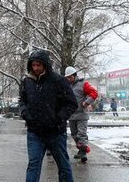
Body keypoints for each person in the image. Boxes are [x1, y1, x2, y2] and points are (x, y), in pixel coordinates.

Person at [19, 50, 77, 182]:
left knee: (63, 165)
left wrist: (58, 118)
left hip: (55, 132)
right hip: (34, 132)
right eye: (33, 65)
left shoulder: (58, 80)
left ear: (45, 64)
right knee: (33, 165)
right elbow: (22, 100)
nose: (36, 68)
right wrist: (25, 113)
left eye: (39, 65)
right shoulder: (27, 81)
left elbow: (71, 103)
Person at [64, 66, 98, 164]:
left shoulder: (83, 84)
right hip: (71, 115)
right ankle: (81, 149)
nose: (68, 79)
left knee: (81, 134)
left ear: (75, 75)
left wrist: (87, 102)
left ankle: (83, 153)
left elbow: (94, 93)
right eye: (67, 77)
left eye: (70, 77)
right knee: (74, 134)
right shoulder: (66, 86)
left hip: (82, 114)